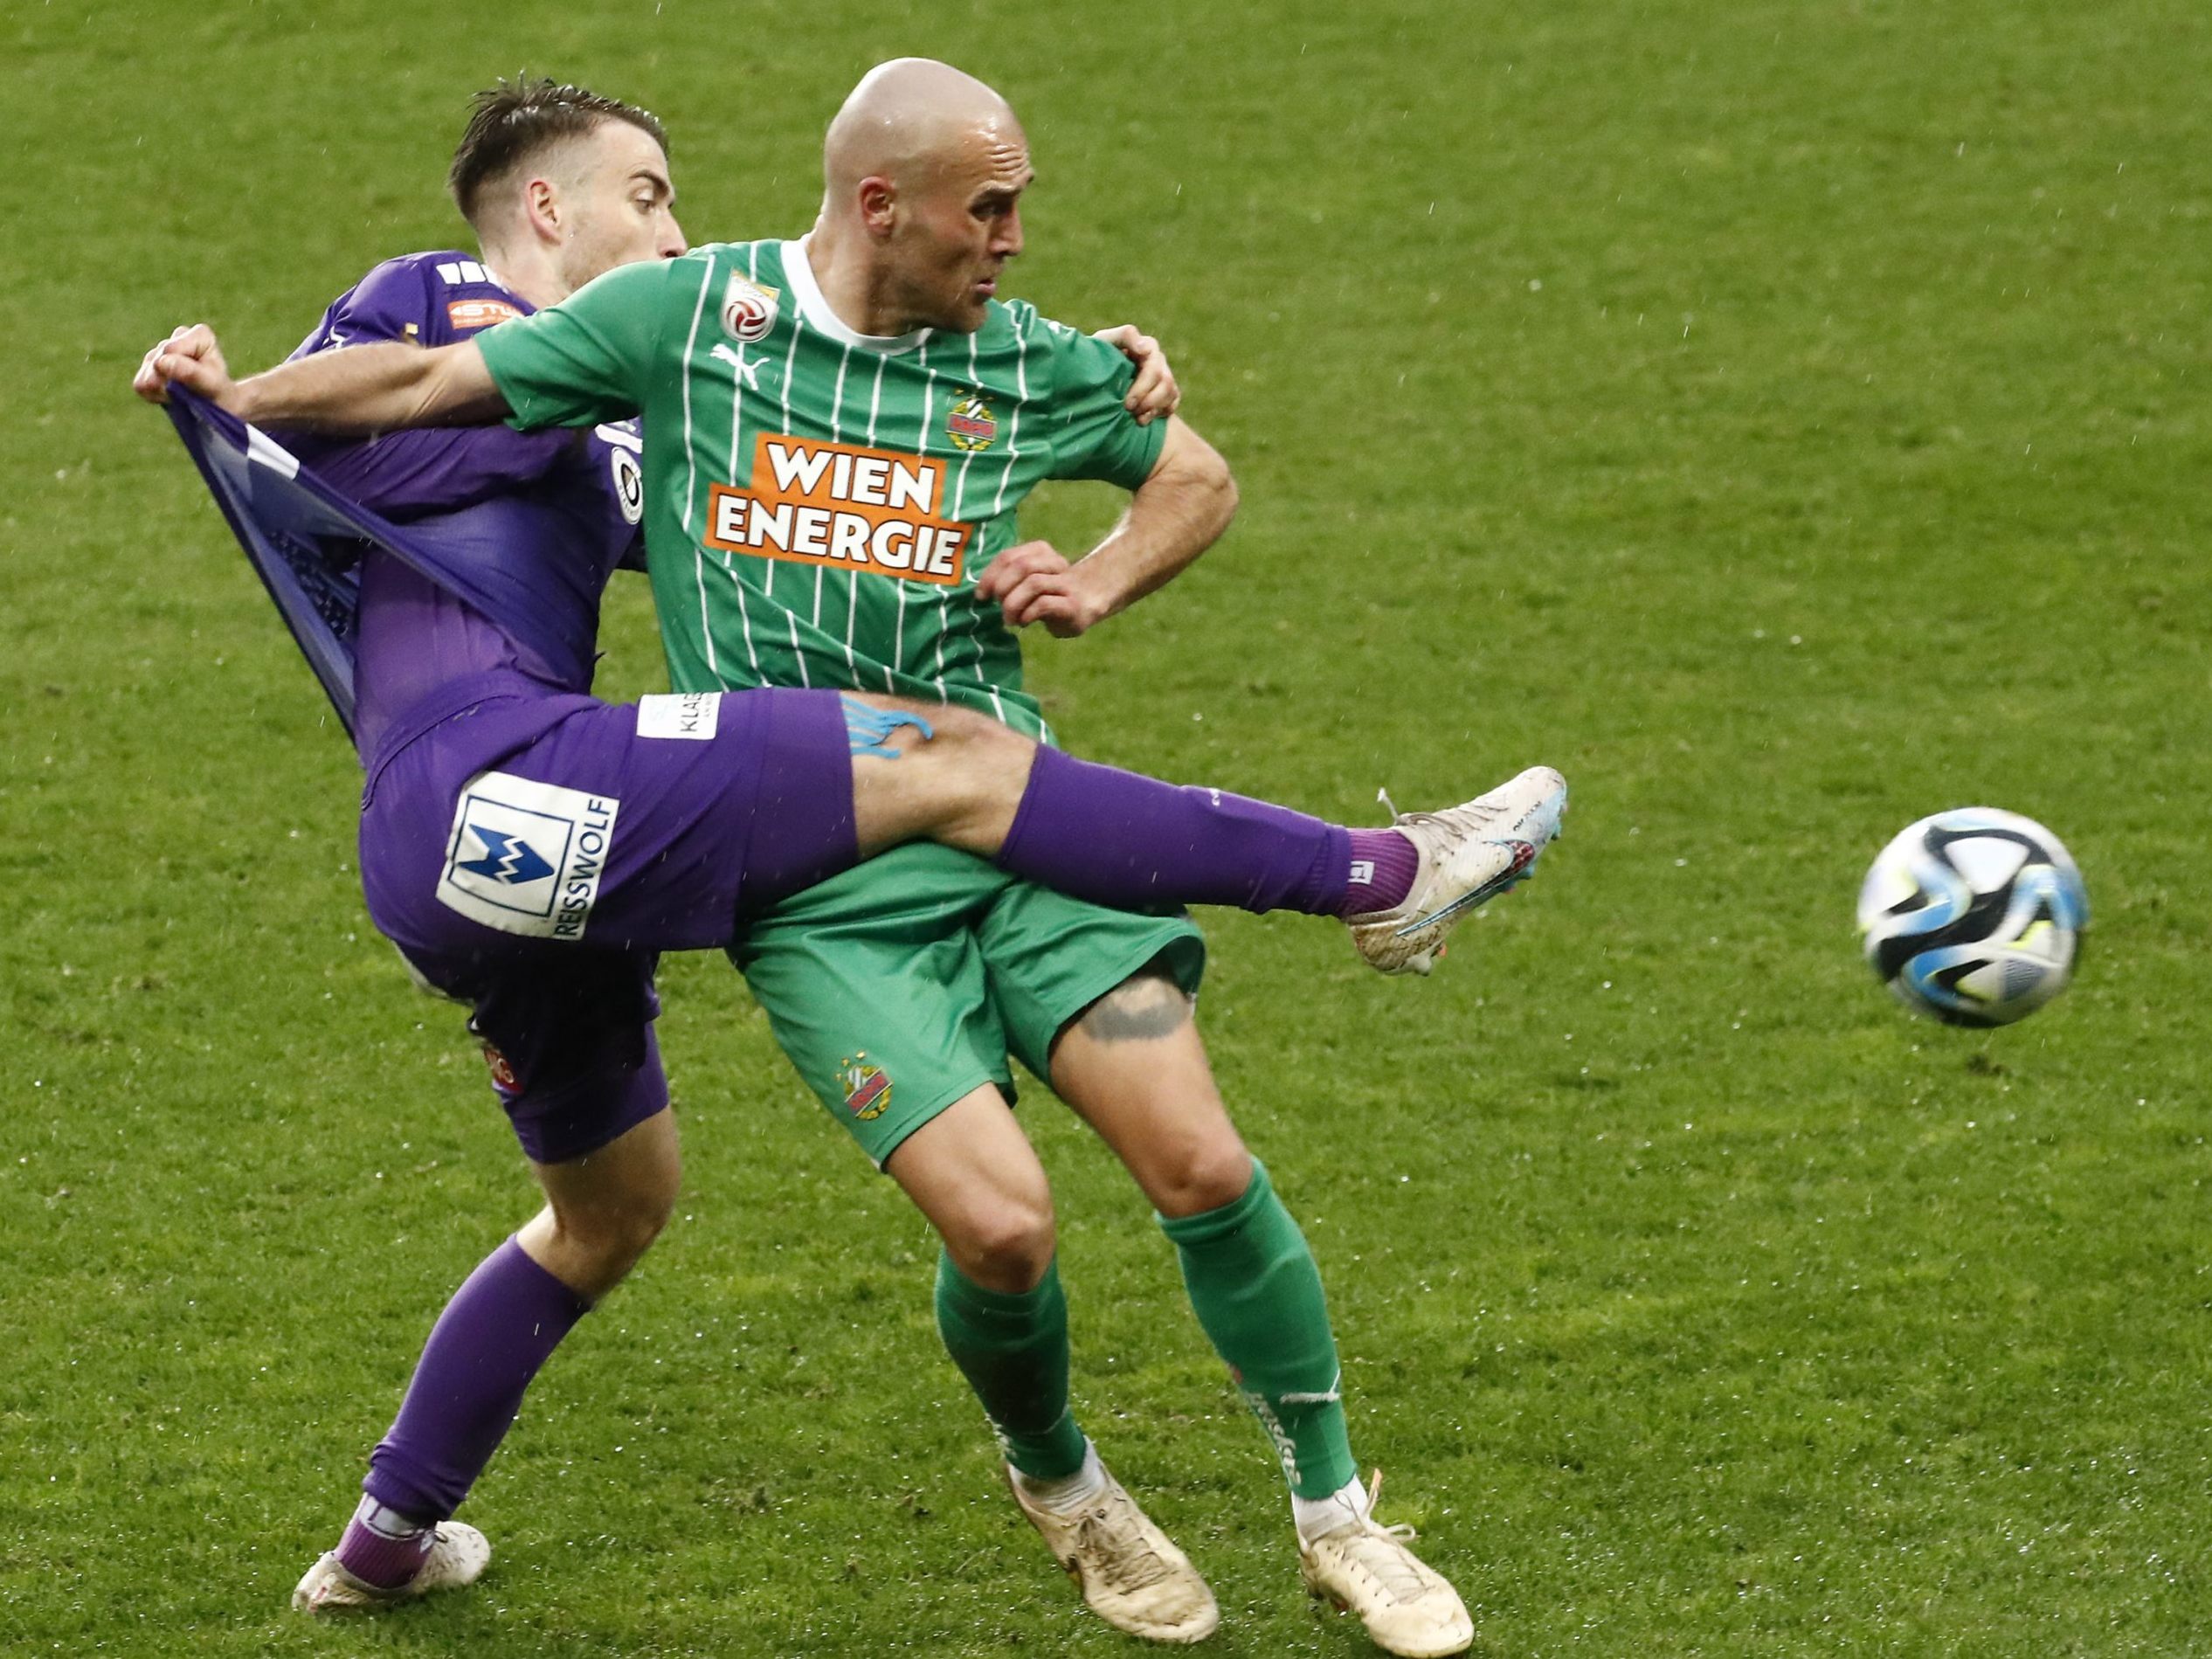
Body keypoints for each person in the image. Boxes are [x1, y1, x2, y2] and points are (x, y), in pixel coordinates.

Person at [137, 68, 1567, 1658]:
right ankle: (1368, 894)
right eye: (647, 189)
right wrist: (236, 388)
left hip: (735, 849)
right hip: (640, 819)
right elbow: (416, 384)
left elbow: (1165, 473)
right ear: (547, 208)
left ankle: (386, 1544)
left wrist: (1100, 530)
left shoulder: (795, 380)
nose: (671, 216)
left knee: (646, 1211)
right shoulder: (572, 312)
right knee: (985, 1061)